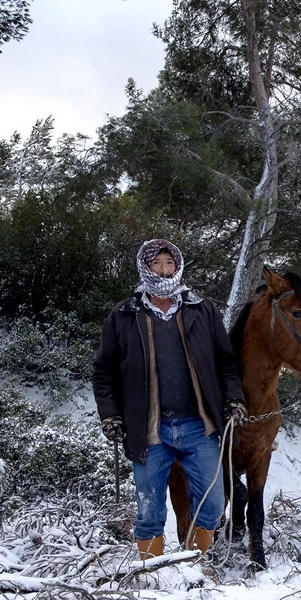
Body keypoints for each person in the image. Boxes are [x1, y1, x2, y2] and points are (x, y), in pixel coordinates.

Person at [93, 239, 247, 560]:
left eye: (169, 263)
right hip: (148, 428)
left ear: (177, 266)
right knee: (149, 512)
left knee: (213, 505)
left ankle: (191, 565)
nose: (163, 269)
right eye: (156, 263)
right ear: (145, 267)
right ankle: (152, 573)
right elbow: (104, 371)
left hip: (198, 424)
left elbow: (226, 362)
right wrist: (110, 414)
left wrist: (233, 398)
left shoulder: (201, 309)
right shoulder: (124, 314)